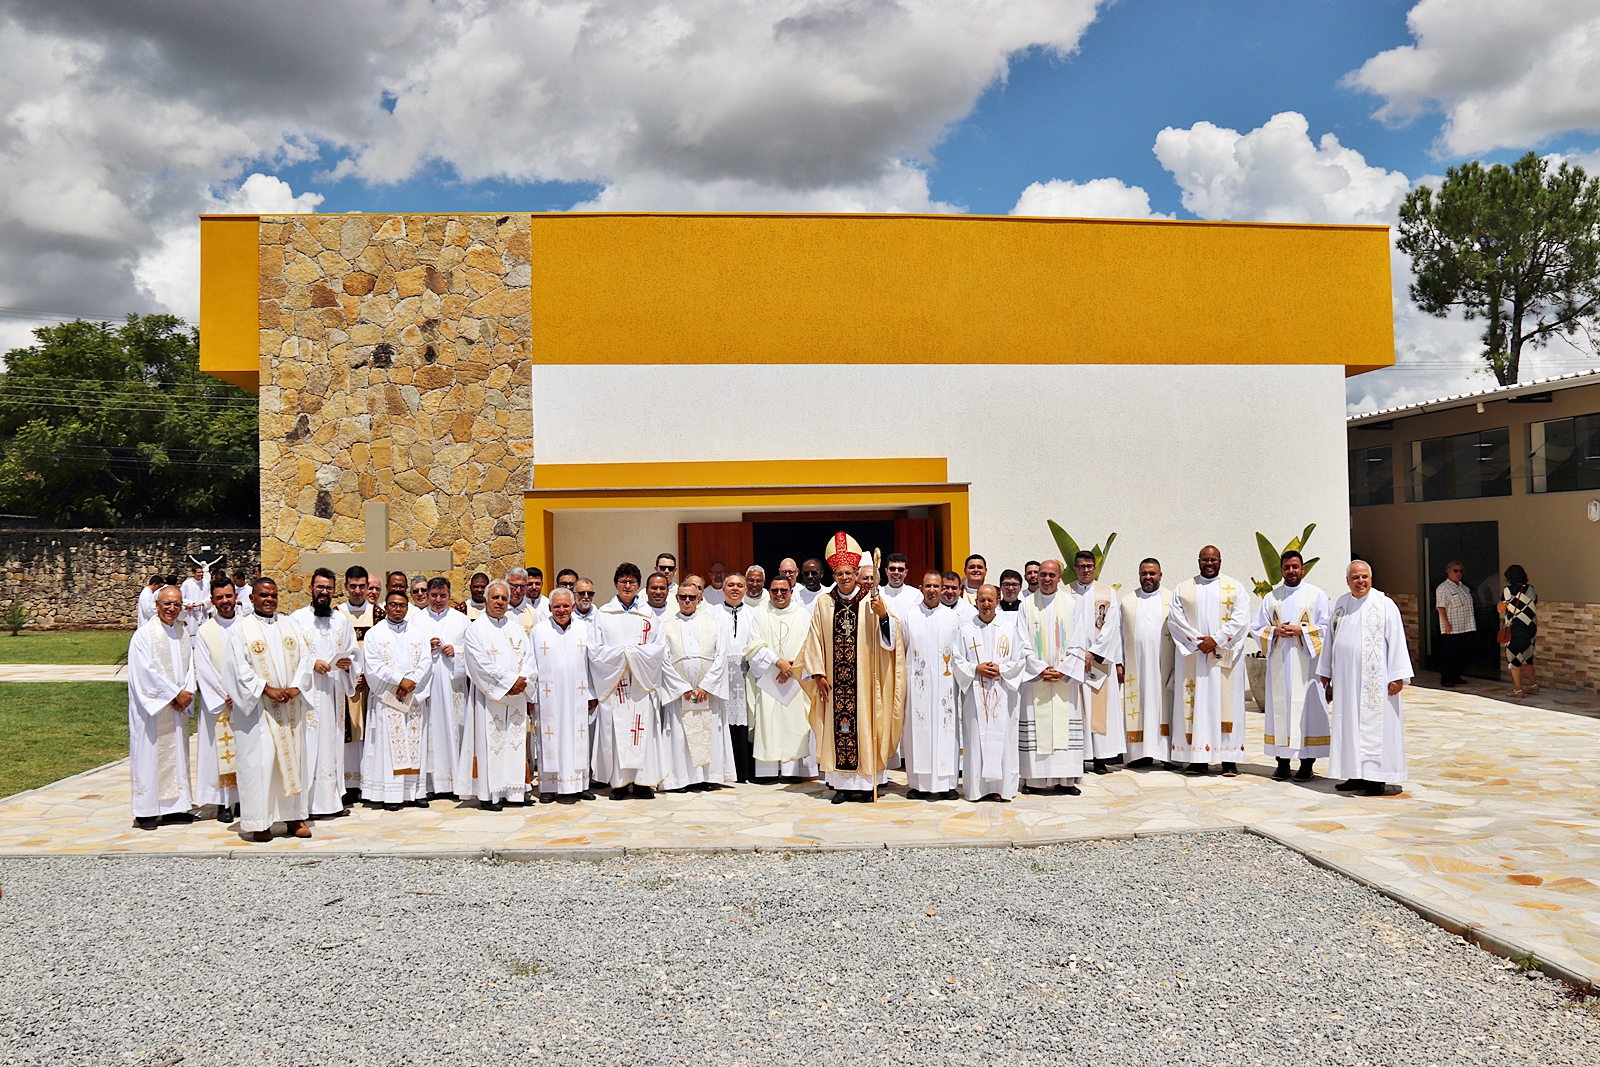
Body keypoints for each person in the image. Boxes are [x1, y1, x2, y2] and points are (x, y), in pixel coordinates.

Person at [793, 533, 905, 804]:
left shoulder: (872, 601)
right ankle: (841, 786)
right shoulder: (824, 602)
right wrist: (818, 674)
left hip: (864, 683)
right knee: (838, 730)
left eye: (849, 573)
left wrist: (883, 617)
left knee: (865, 725)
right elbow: (814, 640)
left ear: (857, 573)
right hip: (833, 683)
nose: (844, 577)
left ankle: (867, 785)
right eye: (839, 573)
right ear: (833, 573)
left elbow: (892, 641)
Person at [221, 577, 312, 842]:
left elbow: (304, 659)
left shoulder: (289, 625)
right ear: (252, 598)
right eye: (263, 595)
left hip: (289, 710)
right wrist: (265, 689)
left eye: (273, 595)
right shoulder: (242, 629)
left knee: (293, 761)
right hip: (259, 713)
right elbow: (237, 669)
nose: (269, 599)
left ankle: (294, 817)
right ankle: (260, 822)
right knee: (260, 765)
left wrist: (296, 687)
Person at [1319, 561, 1412, 798]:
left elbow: (1397, 639)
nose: (1361, 581)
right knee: (1348, 723)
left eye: (1365, 577)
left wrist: (1398, 675)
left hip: (1376, 682)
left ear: (1371, 578)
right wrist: (1326, 674)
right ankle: (1355, 773)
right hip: (1346, 680)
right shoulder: (1341, 604)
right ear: (1347, 580)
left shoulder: (1384, 604)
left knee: (1375, 728)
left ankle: (1376, 779)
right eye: (1355, 577)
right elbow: (1331, 638)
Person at [1167, 545, 1249, 777]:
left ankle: (1229, 759)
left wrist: (1217, 640)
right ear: (1199, 561)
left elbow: (1241, 619)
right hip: (1194, 655)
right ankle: (1198, 759)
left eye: (1214, 560)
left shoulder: (1235, 588)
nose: (1209, 564)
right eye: (1205, 560)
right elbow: (1176, 619)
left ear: (1220, 561)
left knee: (1226, 704)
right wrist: (1197, 641)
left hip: (1224, 657)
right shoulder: (1183, 588)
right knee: (1196, 704)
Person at [1249, 550, 1331, 781]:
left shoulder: (1317, 595)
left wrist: (1301, 631)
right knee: (1281, 712)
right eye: (1287, 567)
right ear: (1282, 570)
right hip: (1280, 667)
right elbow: (1256, 627)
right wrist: (1275, 630)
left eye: (1295, 566)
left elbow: (1327, 629)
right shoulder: (1272, 597)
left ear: (1302, 568)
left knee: (1308, 711)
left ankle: (1307, 765)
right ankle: (1282, 763)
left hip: (1307, 668)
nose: (1291, 571)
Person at [590, 563, 669, 799]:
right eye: (623, 581)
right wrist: (625, 655)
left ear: (638, 586)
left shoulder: (648, 615)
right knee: (617, 732)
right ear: (615, 584)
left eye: (632, 582)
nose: (627, 586)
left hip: (641, 683)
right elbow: (594, 651)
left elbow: (658, 648)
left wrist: (632, 655)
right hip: (615, 684)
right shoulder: (603, 614)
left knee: (641, 730)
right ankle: (620, 784)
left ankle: (644, 783)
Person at [288, 568, 358, 819]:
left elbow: (353, 653)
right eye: (320, 587)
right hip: (308, 696)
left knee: (332, 745)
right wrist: (311, 663)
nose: (324, 592)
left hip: (333, 695)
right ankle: (304, 805)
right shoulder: (296, 620)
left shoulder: (341, 621)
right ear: (311, 589)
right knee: (308, 746)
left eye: (328, 588)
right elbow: (290, 655)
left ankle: (330, 802)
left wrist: (348, 664)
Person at [126, 585, 196, 830]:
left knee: (177, 754)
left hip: (176, 710)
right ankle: (146, 812)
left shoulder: (182, 634)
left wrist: (186, 693)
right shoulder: (144, 635)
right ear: (156, 605)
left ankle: (175, 808)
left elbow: (189, 669)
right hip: (153, 712)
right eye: (167, 603)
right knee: (151, 755)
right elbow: (144, 673)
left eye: (177, 604)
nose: (172, 608)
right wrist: (174, 694)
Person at [460, 579, 534, 809]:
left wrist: (524, 680)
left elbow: (530, 659)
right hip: (488, 699)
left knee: (513, 742)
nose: (500, 602)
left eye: (504, 598)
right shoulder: (475, 630)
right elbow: (479, 665)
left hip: (516, 699)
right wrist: (511, 682)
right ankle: (489, 795)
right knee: (491, 744)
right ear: (485, 599)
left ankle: (513, 793)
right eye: (495, 597)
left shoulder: (516, 628)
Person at [526, 588, 604, 801]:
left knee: (579, 737)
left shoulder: (584, 629)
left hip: (577, 696)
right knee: (549, 739)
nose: (561, 610)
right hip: (548, 697)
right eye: (557, 606)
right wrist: (530, 697)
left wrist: (592, 692)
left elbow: (593, 664)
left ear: (573, 607)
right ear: (550, 608)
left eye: (565, 606)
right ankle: (549, 787)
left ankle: (581, 784)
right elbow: (530, 664)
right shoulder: (538, 631)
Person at [361, 589, 434, 811]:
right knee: (390, 746)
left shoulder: (417, 633)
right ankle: (391, 795)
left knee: (415, 743)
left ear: (407, 607)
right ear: (385, 607)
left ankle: (415, 791)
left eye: (402, 605)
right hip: (388, 699)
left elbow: (426, 661)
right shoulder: (374, 634)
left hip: (412, 697)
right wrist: (399, 680)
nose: (398, 609)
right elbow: (373, 665)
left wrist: (412, 681)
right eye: (393, 605)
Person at [953, 584, 1028, 802]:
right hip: (975, 695)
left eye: (990, 600)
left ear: (998, 601)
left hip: (1002, 692)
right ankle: (977, 789)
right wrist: (975, 668)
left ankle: (1001, 789)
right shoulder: (966, 630)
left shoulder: (1009, 628)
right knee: (976, 740)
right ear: (975, 602)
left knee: (1003, 740)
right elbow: (957, 659)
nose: (986, 604)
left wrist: (1001, 669)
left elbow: (1019, 659)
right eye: (982, 600)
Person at [1015, 559, 1084, 795]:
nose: (1046, 579)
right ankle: (1034, 782)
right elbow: (1021, 643)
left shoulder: (1072, 604)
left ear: (1059, 577)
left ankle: (1066, 781)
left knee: (1064, 729)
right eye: (1042, 574)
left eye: (1051, 575)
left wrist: (1063, 670)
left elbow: (1078, 642)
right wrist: (1040, 669)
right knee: (1037, 728)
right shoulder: (1026, 605)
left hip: (1063, 679)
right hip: (1038, 680)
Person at [659, 581, 735, 790]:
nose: (687, 601)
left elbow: (721, 656)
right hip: (681, 692)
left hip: (706, 692)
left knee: (708, 732)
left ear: (699, 598)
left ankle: (708, 778)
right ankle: (682, 779)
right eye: (683, 597)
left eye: (691, 597)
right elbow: (663, 660)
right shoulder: (666, 626)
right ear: (676, 599)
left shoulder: (711, 623)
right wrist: (682, 687)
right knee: (680, 736)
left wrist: (706, 686)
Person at [744, 575, 817, 781]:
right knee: (768, 721)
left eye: (783, 590)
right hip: (768, 678)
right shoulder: (760, 613)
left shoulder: (802, 615)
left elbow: (809, 645)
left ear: (791, 592)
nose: (779, 594)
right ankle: (767, 770)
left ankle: (791, 770)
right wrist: (778, 663)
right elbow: (753, 645)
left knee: (793, 722)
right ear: (769, 592)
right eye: (774, 590)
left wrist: (792, 667)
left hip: (795, 679)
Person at [898, 569, 963, 800]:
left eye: (937, 586)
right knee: (918, 732)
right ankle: (918, 785)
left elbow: (960, 653)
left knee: (946, 730)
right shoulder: (909, 617)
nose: (933, 590)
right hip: (918, 689)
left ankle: (947, 784)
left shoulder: (953, 618)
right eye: (929, 586)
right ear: (921, 589)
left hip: (946, 686)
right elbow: (900, 651)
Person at [1067, 551, 1124, 775]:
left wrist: (1093, 653)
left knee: (1100, 709)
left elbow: (1111, 628)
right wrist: (1077, 654)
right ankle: (1079, 757)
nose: (1086, 570)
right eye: (1081, 566)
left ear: (1095, 568)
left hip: (1098, 661)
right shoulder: (1065, 592)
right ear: (1075, 569)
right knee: (1077, 709)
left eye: (1090, 566)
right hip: (1073, 661)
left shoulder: (1107, 593)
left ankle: (1100, 758)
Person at [193, 576, 242, 822]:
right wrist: (227, 693)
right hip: (220, 703)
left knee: (246, 750)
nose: (225, 601)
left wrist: (242, 692)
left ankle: (244, 799)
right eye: (220, 597)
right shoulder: (204, 632)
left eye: (229, 596)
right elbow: (203, 668)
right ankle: (224, 802)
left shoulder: (247, 626)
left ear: (236, 597)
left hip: (245, 702)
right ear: (212, 600)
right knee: (220, 752)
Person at [1118, 558, 1173, 769]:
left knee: (1164, 706)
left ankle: (1166, 754)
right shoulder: (1127, 601)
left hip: (1163, 665)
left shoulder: (1171, 599)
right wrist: (1118, 663)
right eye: (1144, 573)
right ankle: (1140, 754)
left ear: (1160, 575)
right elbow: (1118, 635)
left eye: (1152, 573)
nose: (1148, 577)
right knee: (1138, 705)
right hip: (1136, 665)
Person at [423, 576, 470, 797]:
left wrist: (457, 652)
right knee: (430, 730)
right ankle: (432, 784)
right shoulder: (416, 621)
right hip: (429, 687)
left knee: (455, 729)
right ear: (427, 595)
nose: (438, 600)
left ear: (450, 596)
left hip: (454, 687)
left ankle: (456, 783)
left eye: (443, 595)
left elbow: (472, 652)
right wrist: (426, 648)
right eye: (434, 595)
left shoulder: (462, 620)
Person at [715, 573, 759, 782]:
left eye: (739, 585)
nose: (735, 589)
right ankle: (723, 771)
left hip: (746, 677)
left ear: (745, 590)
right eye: (731, 585)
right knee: (723, 722)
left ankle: (745, 771)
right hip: (721, 677)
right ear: (723, 589)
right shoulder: (712, 614)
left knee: (746, 721)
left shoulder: (754, 614)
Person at [337, 565, 375, 801]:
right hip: (345, 682)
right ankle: (348, 783)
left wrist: (367, 675)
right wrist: (352, 675)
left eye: (362, 586)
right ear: (346, 587)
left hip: (371, 683)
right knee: (347, 732)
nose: (358, 591)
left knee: (369, 731)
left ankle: (368, 781)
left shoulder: (379, 613)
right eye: (353, 586)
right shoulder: (336, 614)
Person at [1434, 560, 1475, 688]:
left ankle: (1456, 676)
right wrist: (1446, 623)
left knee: (1461, 653)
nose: (1458, 573)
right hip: (1452, 627)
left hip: (1465, 625)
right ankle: (1446, 678)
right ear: (1449, 572)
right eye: (1455, 571)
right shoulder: (1443, 588)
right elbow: (1440, 607)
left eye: (1460, 571)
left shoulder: (1464, 587)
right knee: (1449, 653)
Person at [1499, 565, 1539, 697]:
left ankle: (1518, 689)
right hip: (1531, 627)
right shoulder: (1531, 589)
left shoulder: (1508, 590)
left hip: (1516, 628)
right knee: (1527, 656)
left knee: (1513, 657)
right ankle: (1533, 685)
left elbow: (1500, 608)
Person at [180, 563, 209, 637]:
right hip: (191, 612)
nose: (201, 574)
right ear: (193, 573)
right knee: (191, 632)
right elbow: (181, 598)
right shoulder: (187, 584)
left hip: (203, 611)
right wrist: (191, 603)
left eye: (202, 572)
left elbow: (209, 596)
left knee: (204, 632)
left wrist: (204, 603)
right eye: (199, 572)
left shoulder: (206, 583)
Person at [519, 567, 549, 632]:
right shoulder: (518, 604)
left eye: (537, 584)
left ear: (542, 584)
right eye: (530, 584)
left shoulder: (548, 604)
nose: (534, 587)